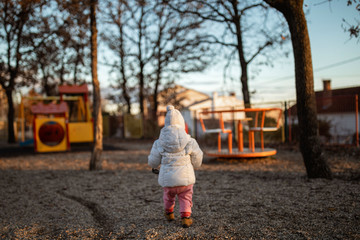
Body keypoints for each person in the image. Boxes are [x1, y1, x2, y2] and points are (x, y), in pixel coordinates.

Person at [148, 105, 203, 228]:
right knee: (186, 197)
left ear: (166, 124)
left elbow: (153, 161)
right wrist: (196, 164)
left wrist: (153, 165)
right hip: (185, 180)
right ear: (182, 123)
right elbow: (198, 156)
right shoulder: (190, 141)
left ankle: (169, 213)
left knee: (168, 197)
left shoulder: (159, 142)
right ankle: (186, 217)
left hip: (167, 180)